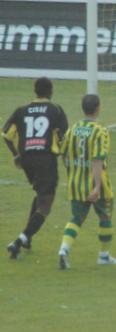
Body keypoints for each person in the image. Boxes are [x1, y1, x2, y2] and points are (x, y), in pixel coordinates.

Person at [3, 77, 69, 259]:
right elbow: (64, 138)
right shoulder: (55, 110)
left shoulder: (22, 110)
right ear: (51, 91)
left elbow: (6, 135)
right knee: (45, 205)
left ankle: (28, 239)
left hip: (27, 160)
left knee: (39, 193)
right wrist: (66, 158)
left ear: (35, 91)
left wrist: (16, 155)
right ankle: (18, 241)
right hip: (46, 159)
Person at [58, 94, 116, 269]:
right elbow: (97, 159)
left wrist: (73, 171)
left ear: (83, 108)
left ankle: (63, 251)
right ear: (98, 109)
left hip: (76, 184)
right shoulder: (100, 131)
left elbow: (62, 154)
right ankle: (103, 256)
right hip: (97, 186)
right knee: (105, 216)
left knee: (77, 217)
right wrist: (97, 186)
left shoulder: (72, 129)